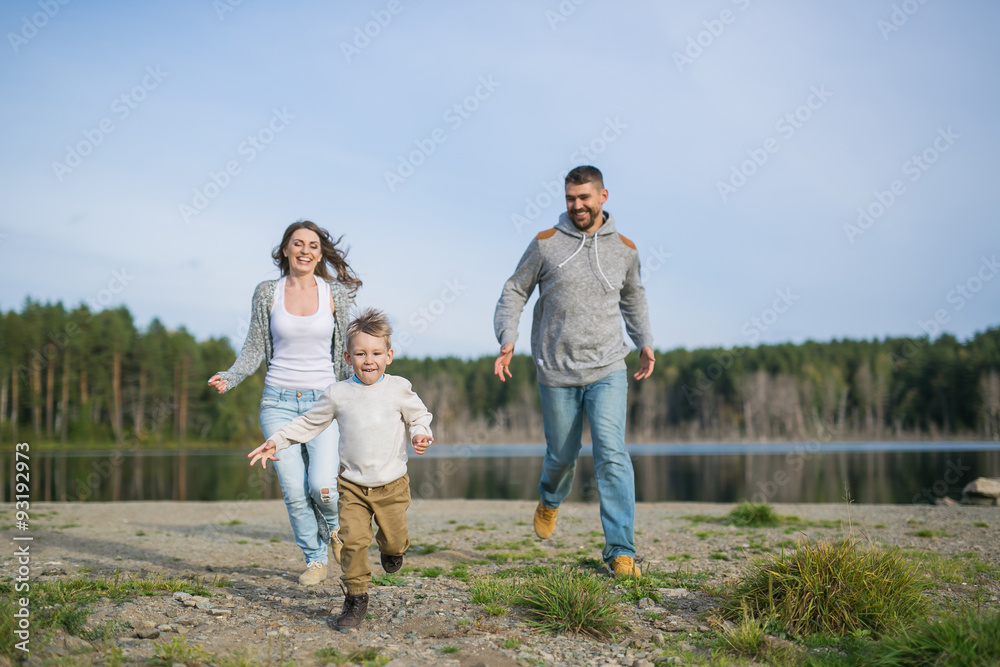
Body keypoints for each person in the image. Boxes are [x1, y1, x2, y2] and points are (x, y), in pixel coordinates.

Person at [493, 165, 655, 577]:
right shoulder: (546, 245)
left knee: (611, 453)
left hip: (607, 367)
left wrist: (645, 341)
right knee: (562, 456)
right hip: (556, 369)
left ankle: (621, 551)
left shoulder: (625, 248)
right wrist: (507, 337)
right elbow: (515, 290)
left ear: (603, 196)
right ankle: (549, 499)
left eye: (584, 197)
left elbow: (634, 298)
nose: (577, 205)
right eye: (570, 198)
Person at [248, 308, 433, 630]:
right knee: (353, 542)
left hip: (391, 485)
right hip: (351, 485)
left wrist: (420, 433)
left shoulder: (399, 388)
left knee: (393, 541)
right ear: (348, 357)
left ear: (389, 355)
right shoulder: (337, 394)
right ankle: (356, 597)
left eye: (376, 353)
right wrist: (277, 441)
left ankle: (393, 550)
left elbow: (420, 416)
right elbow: (308, 423)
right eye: (360, 353)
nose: (369, 360)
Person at [208, 220, 361, 586]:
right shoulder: (267, 293)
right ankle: (314, 560)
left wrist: (363, 386)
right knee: (294, 490)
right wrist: (230, 376)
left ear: (320, 253)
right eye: (298, 244)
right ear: (285, 250)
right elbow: (254, 348)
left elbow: (345, 352)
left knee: (322, 486)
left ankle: (336, 530)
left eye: (312, 245)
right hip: (277, 402)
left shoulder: (334, 293)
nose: (305, 250)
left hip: (323, 404)